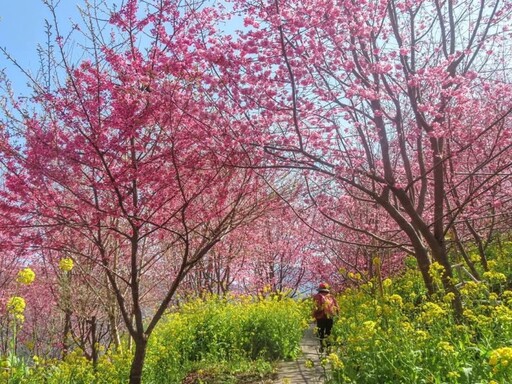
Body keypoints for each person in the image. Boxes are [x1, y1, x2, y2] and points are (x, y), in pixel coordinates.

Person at [312, 282, 339, 352]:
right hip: (330, 316)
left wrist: (313, 316)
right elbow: (337, 307)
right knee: (328, 332)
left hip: (320, 317)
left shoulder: (317, 296)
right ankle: (328, 347)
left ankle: (322, 346)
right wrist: (338, 315)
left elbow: (315, 307)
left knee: (321, 332)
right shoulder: (331, 296)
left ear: (319, 289)